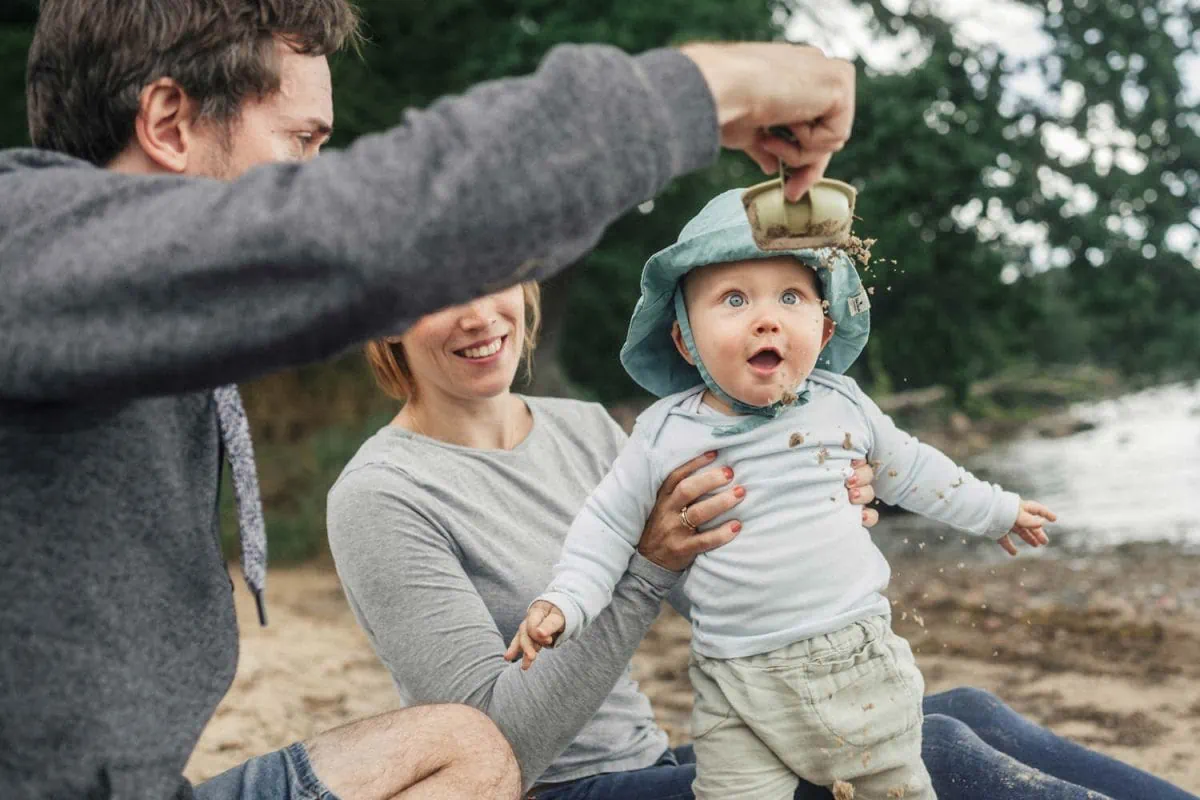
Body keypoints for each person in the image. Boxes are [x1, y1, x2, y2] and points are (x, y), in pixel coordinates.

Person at [0, 0, 866, 796]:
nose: (317, 177)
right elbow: (387, 229)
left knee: (459, 745)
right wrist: (710, 88)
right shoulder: (24, 250)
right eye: (301, 143)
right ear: (168, 123)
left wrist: (801, 501)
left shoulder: (126, 324)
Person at [326, 278, 1198, 800]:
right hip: (556, 790)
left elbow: (714, 572)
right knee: (938, 754)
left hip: (656, 763)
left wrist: (814, 509)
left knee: (965, 710)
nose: (478, 316)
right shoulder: (382, 495)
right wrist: (647, 563)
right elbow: (489, 750)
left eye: (491, 280)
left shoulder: (581, 426)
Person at [509, 187, 1056, 799]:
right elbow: (607, 526)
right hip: (731, 679)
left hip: (855, 658)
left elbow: (916, 471)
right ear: (686, 341)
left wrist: (998, 510)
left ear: (823, 331)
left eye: (790, 296)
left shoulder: (843, 404)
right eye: (734, 299)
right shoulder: (664, 433)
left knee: (895, 787)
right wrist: (566, 600)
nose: (765, 317)